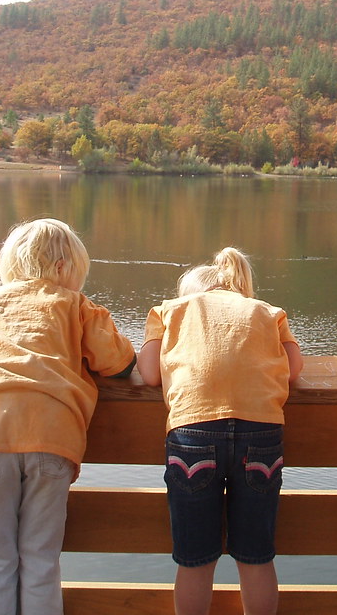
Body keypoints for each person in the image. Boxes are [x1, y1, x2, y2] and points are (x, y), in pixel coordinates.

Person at [0, 218, 136, 615]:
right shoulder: (77, 306)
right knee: (40, 559)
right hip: (52, 438)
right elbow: (119, 365)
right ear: (64, 268)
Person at [136, 247, 303, 615]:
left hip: (192, 433)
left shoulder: (167, 311)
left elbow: (148, 373)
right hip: (260, 432)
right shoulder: (267, 311)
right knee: (256, 556)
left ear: (190, 293)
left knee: (195, 560)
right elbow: (292, 370)